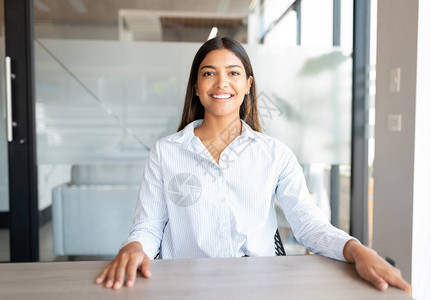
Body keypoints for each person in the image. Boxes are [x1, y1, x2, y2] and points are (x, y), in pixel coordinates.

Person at [95, 37, 412, 295]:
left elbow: (309, 226)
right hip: (184, 287)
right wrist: (134, 246)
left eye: (233, 73)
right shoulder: (166, 153)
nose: (221, 83)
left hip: (260, 287)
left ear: (247, 84)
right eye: (209, 73)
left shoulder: (274, 154)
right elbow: (150, 225)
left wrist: (357, 250)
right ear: (195, 86)